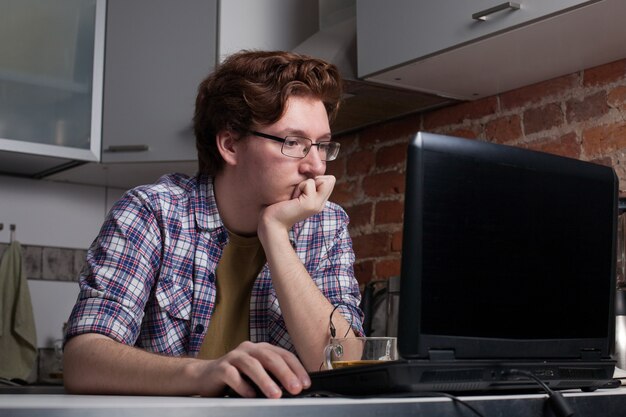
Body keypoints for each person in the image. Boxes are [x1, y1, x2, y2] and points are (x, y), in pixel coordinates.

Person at [62, 50, 364, 398]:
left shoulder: (326, 224)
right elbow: (83, 360)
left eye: (323, 146)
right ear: (230, 144)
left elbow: (344, 366)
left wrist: (276, 235)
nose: (315, 166)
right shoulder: (152, 212)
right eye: (293, 143)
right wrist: (203, 371)